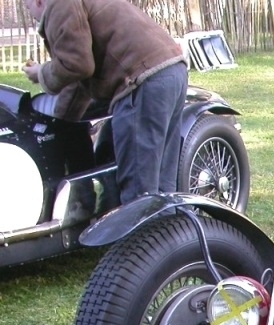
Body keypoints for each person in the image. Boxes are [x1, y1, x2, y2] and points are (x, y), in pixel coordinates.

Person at [22, 0, 188, 204]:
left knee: (138, 192)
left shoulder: (59, 4)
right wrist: (61, 122)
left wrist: (42, 73)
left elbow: (76, 64)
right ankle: (169, 234)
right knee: (163, 187)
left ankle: (141, 234)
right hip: (171, 69)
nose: (31, 15)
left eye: (27, 7)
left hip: (141, 80)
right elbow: (81, 78)